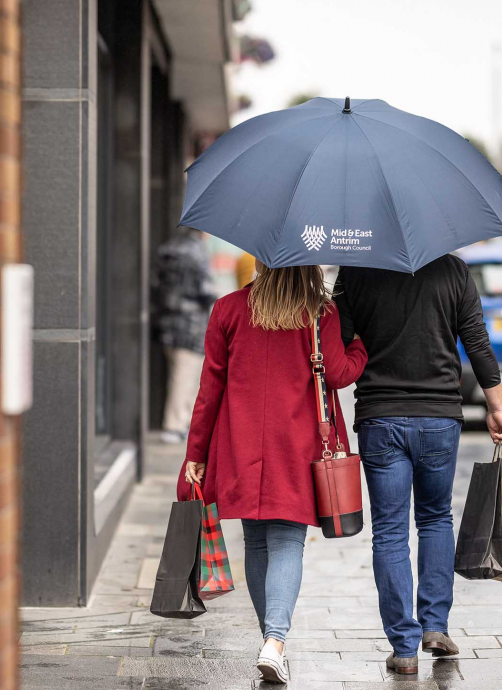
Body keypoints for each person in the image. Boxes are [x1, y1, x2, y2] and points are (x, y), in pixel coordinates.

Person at [178, 263, 367, 683]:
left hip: (240, 444)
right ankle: (274, 642)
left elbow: (209, 389)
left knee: (257, 542)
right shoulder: (319, 313)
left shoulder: (228, 309)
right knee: (286, 542)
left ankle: (271, 641)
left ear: (262, 261)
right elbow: (339, 374)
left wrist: (196, 453)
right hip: (296, 445)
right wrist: (358, 347)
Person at [334, 257, 502, 676]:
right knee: (434, 518)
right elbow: (477, 341)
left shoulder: (355, 270)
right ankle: (435, 626)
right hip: (439, 417)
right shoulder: (454, 270)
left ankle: (404, 647)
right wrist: (496, 407)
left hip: (379, 416)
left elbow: (339, 344)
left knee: (390, 530)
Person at [152, 228, 218, 443]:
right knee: (185, 376)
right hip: (191, 325)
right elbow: (206, 290)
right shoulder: (197, 251)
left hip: (167, 322)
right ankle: (175, 426)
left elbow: (155, 285)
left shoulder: (168, 248)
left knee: (178, 372)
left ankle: (183, 422)